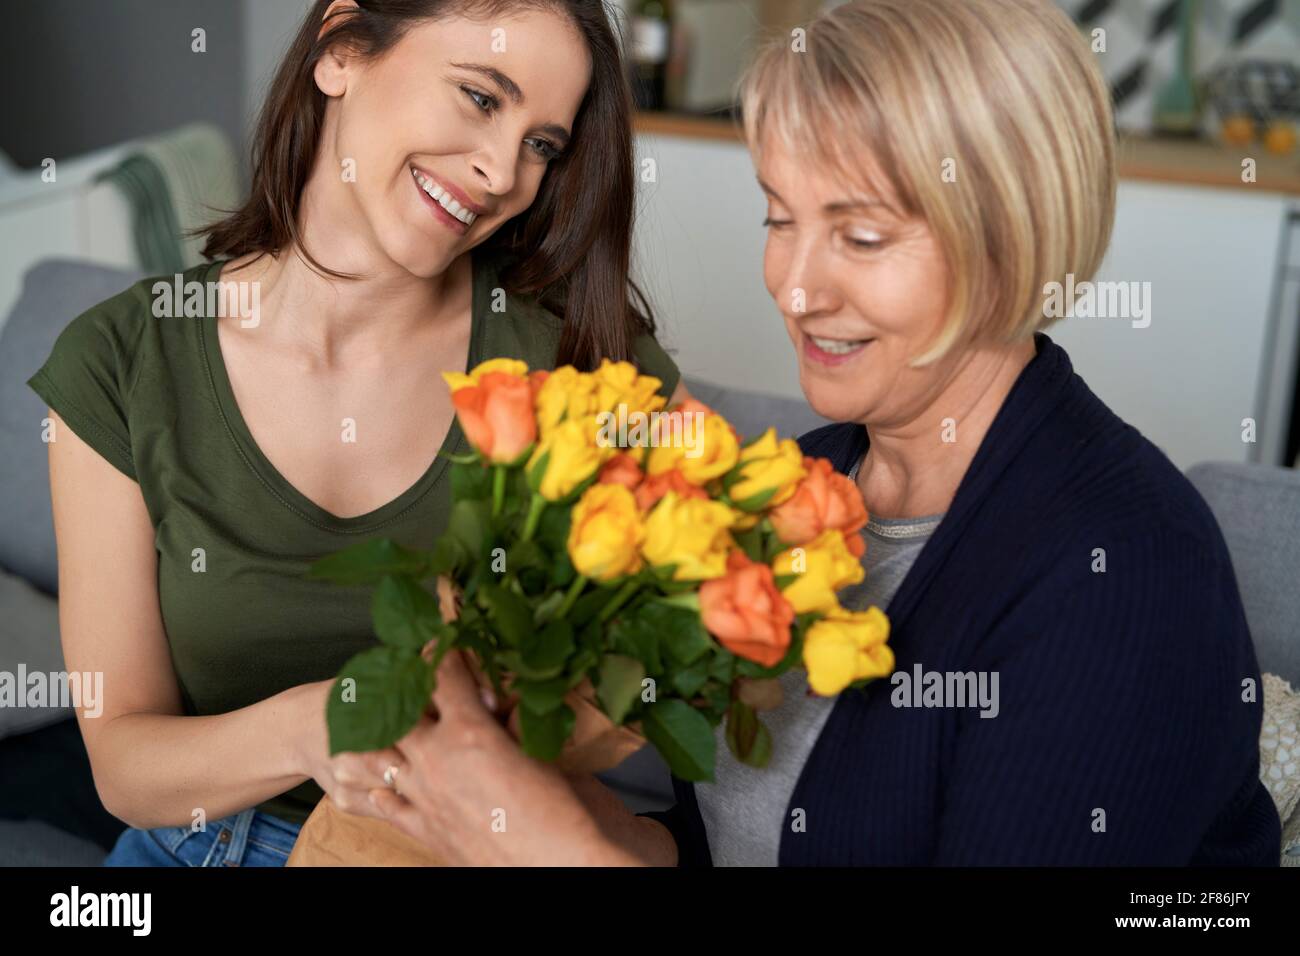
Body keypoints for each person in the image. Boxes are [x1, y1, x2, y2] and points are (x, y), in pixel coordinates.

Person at [364, 0, 1281, 866]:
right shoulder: (794, 489)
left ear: (1012, 239)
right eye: (779, 217)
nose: (796, 289)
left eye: (863, 237)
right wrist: (510, 799)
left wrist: (549, 847)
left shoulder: (1125, 569)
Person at [28, 0, 683, 867]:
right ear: (341, 50)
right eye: (483, 99)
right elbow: (124, 766)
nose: (500, 172)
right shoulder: (120, 362)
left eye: (542, 145)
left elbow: (739, 593)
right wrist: (319, 726)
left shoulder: (581, 360)